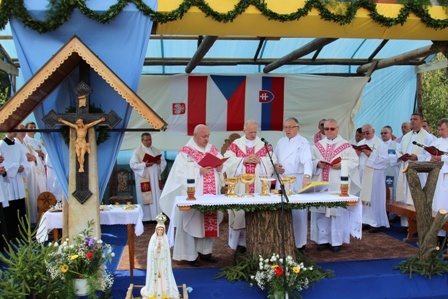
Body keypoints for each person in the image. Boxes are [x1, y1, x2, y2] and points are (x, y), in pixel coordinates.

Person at [160, 124, 224, 267]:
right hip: (194, 194)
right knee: (192, 222)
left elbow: (220, 165)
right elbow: (179, 173)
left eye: (208, 136)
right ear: (195, 136)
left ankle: (206, 252)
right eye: (203, 136)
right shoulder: (186, 152)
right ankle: (190, 255)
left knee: (208, 222)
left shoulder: (212, 149)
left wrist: (220, 168)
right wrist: (198, 172)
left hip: (211, 194)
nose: (207, 139)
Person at [310, 119, 361, 252]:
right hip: (321, 182)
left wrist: (342, 165)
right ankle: (322, 240)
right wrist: (317, 164)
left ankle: (336, 241)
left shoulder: (346, 145)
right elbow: (310, 160)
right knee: (321, 211)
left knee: (336, 212)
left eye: (332, 129)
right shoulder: (317, 145)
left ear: (337, 129)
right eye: (326, 129)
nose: (329, 131)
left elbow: (355, 162)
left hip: (338, 183)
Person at [224, 120, 275, 251]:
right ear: (244, 131)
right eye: (250, 132)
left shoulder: (263, 144)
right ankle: (240, 244)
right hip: (241, 185)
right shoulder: (236, 144)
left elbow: (272, 161)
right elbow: (227, 161)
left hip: (258, 185)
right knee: (240, 213)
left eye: (255, 132)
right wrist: (243, 160)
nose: (253, 134)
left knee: (257, 213)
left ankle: (258, 241)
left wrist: (260, 161)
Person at [274, 117, 312, 251]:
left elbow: (307, 161)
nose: (287, 130)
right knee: (281, 211)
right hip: (282, 179)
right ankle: (283, 241)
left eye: (290, 127)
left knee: (298, 213)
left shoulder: (303, 142)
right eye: (285, 127)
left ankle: (300, 243)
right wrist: (275, 166)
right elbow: (275, 157)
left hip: (296, 179)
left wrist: (307, 176)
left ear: (297, 128)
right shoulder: (281, 141)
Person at [395, 113, 436, 229]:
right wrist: (401, 155)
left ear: (421, 121)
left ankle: (418, 226)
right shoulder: (406, 136)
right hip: (406, 167)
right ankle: (406, 225)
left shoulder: (428, 137)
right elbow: (399, 149)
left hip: (419, 171)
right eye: (411, 119)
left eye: (415, 119)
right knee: (405, 195)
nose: (412, 121)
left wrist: (417, 157)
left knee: (416, 197)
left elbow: (430, 156)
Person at [356, 124, 389, 233]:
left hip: (375, 175)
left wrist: (370, 154)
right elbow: (356, 159)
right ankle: (364, 220)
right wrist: (357, 153)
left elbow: (385, 161)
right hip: (363, 174)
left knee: (374, 198)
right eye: (363, 133)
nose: (365, 135)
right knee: (363, 198)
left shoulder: (380, 144)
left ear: (373, 131)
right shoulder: (361, 143)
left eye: (367, 133)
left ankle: (376, 222)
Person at [141, 213, 179, 299]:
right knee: (155, 277)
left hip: (162, 262)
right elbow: (151, 251)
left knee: (163, 276)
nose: (160, 231)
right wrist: (156, 248)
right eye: (159, 230)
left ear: (164, 230)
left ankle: (164, 292)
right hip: (155, 262)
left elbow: (166, 252)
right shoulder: (153, 238)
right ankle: (153, 291)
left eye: (162, 230)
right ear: (156, 230)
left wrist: (161, 249)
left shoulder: (165, 239)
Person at [130, 133, 167, 222]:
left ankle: (157, 216)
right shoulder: (137, 151)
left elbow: (163, 163)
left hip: (155, 178)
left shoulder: (156, 150)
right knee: (147, 197)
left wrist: (159, 163)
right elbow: (133, 165)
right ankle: (146, 218)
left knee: (156, 196)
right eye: (146, 140)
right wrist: (145, 164)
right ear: (142, 141)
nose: (149, 141)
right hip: (145, 179)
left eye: (150, 139)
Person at [0, 130, 29, 240]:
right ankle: (11, 234)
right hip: (8, 181)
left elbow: (24, 160)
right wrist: (13, 168)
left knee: (20, 206)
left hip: (18, 179)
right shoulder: (1, 144)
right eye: (12, 130)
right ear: (7, 131)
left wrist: (22, 167)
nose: (15, 132)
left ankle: (22, 232)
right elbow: (2, 163)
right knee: (10, 208)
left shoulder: (18, 145)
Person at [425, 118, 448, 239]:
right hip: (437, 177)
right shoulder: (436, 142)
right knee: (437, 204)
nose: (440, 132)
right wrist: (431, 158)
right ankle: (438, 234)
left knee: (444, 204)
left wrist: (442, 158)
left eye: (443, 129)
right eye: (438, 129)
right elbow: (426, 156)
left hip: (446, 177)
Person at [23, 122, 47, 224]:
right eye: (30, 127)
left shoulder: (37, 142)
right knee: (33, 194)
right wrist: (37, 155)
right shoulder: (25, 141)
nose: (32, 129)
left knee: (41, 194)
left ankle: (42, 218)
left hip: (40, 171)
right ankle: (33, 219)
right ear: (26, 129)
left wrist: (41, 155)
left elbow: (44, 154)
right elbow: (28, 155)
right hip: (32, 173)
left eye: (34, 127)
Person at [381, 126, 399, 202]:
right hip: (380, 171)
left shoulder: (396, 145)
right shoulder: (378, 144)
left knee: (391, 190)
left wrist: (386, 158)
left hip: (392, 171)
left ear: (391, 133)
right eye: (381, 133)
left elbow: (399, 158)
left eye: (385, 133)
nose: (383, 134)